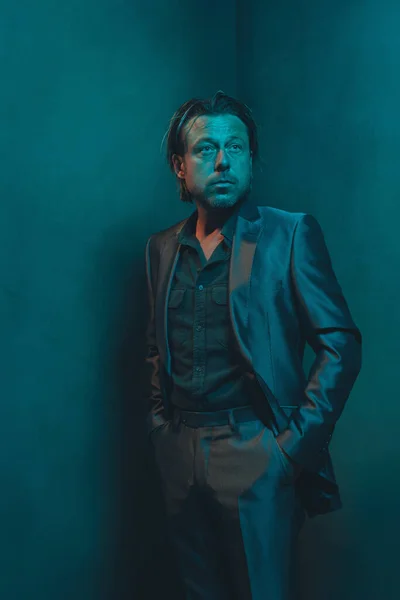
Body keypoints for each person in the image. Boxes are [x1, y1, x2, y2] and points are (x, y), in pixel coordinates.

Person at [142, 90, 362, 600]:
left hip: (255, 450)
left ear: (250, 160)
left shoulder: (289, 234)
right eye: (205, 149)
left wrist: (290, 450)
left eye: (236, 148)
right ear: (180, 166)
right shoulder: (160, 248)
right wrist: (162, 431)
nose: (222, 161)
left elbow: (340, 345)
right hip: (179, 451)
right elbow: (156, 349)